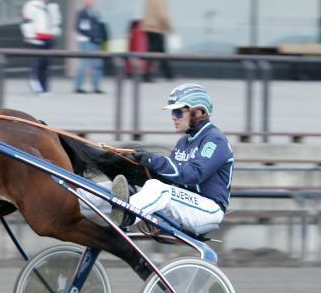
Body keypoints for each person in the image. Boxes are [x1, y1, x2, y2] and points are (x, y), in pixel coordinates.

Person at [79, 84, 233, 236]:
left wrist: (152, 160)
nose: (173, 117)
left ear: (199, 112)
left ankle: (127, 216)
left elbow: (193, 174)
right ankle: (76, 201)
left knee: (157, 189)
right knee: (122, 186)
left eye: (178, 112)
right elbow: (173, 180)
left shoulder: (214, 140)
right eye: (173, 112)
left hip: (209, 209)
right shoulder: (183, 143)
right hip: (183, 203)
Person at [21, 0, 62, 94]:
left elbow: (57, 22)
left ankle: (45, 88)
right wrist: (29, 36)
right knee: (36, 64)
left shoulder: (53, 6)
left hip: (49, 39)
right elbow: (26, 22)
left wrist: (55, 34)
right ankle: (37, 87)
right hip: (36, 39)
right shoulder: (31, 5)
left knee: (46, 65)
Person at [141, 0, 174, 82]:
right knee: (154, 52)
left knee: (159, 51)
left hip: (151, 27)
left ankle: (167, 74)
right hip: (155, 28)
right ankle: (147, 74)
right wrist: (170, 28)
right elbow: (162, 15)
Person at [74, 0, 105, 94]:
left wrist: (99, 37)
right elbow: (79, 27)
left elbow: (98, 27)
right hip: (86, 41)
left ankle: (96, 87)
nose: (90, 1)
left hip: (96, 42)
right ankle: (78, 87)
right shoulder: (82, 13)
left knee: (97, 64)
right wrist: (91, 36)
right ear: (84, 0)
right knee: (84, 64)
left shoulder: (95, 12)